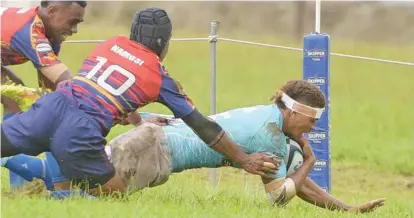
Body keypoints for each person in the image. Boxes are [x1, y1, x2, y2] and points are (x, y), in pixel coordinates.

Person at [1, 7, 279, 195]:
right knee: (114, 194)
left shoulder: (110, 43)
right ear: (163, 43)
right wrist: (244, 159)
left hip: (54, 105)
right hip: (81, 128)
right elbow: (202, 125)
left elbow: (103, 92)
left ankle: (50, 188)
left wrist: (139, 119)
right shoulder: (159, 76)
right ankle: (60, 195)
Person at [4, 80, 385, 213]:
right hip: (155, 147)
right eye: (312, 119)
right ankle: (25, 179)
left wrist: (347, 209)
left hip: (157, 142)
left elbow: (294, 187)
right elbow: (280, 197)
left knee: (80, 186)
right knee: (91, 193)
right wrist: (310, 161)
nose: (315, 126)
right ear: (293, 112)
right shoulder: (270, 133)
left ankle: (36, 187)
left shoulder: (273, 120)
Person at [0, 1, 87, 189]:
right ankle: (40, 176)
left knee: (17, 97)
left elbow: (51, 92)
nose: (75, 30)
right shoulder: (30, 31)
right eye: (72, 22)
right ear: (52, 11)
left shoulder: (50, 33)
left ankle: (24, 186)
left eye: (78, 23)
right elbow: (66, 82)